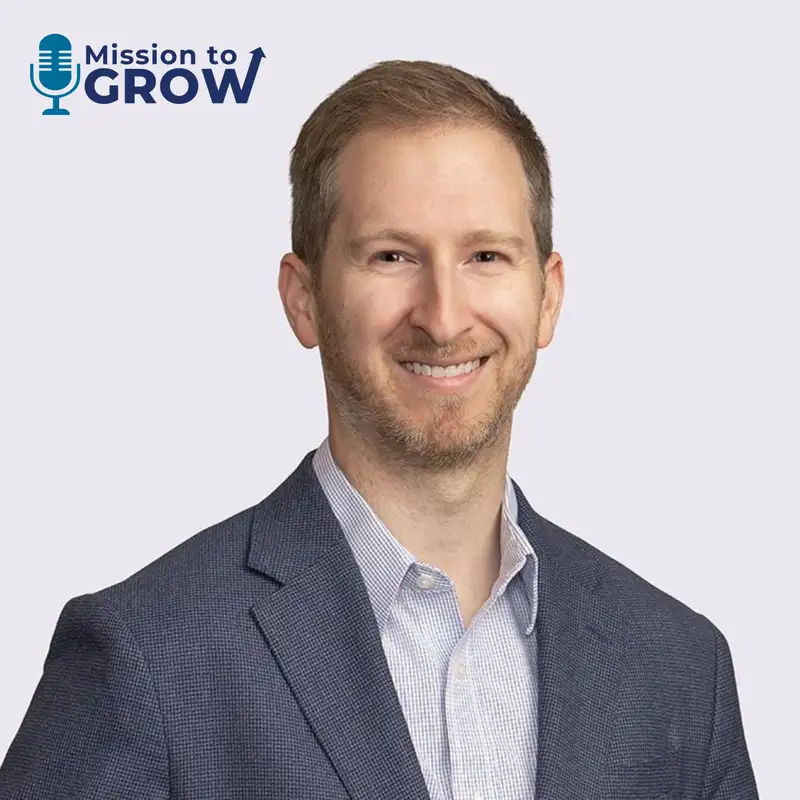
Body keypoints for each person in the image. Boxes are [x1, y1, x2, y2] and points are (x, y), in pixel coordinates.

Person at [0, 59, 758, 800]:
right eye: (392, 256)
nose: (444, 318)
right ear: (304, 299)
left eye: (486, 256)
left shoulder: (680, 672)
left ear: (548, 297)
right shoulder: (148, 656)